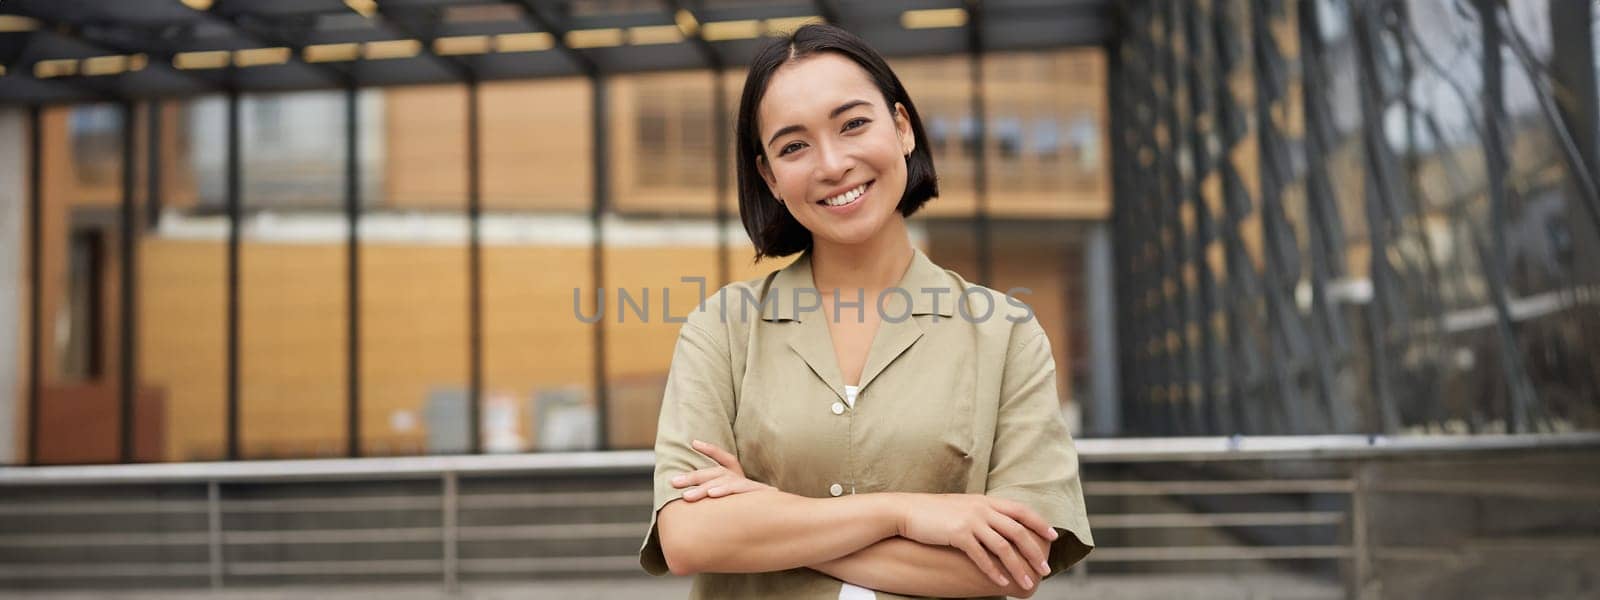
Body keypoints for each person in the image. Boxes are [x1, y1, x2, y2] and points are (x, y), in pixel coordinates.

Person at [637, 23, 1093, 599]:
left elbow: (1018, 560)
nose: (832, 164)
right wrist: (902, 515)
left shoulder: (1003, 332)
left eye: (853, 124)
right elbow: (690, 536)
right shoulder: (722, 328)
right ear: (770, 178)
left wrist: (769, 518)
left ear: (902, 128)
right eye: (794, 146)